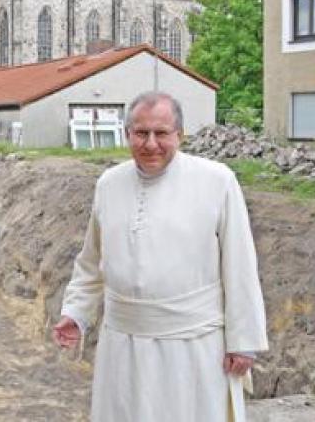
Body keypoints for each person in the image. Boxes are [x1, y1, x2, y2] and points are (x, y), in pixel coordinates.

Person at [53, 91, 267, 421]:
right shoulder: (109, 184)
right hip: (122, 346)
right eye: (141, 133)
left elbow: (240, 266)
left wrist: (244, 341)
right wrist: (76, 313)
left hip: (193, 346)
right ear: (127, 135)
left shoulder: (217, 181)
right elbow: (92, 262)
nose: (151, 144)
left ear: (179, 134)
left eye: (161, 133)